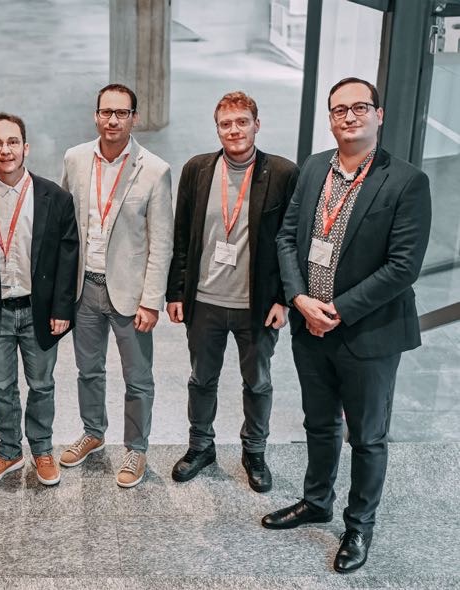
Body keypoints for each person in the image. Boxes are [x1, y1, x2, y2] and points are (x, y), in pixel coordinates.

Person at [264, 77, 431, 573]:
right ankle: (317, 501)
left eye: (360, 107)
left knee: (367, 436)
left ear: (379, 114)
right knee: (318, 423)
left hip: (367, 333)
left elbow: (403, 267)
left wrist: (334, 311)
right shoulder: (315, 167)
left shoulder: (406, 181)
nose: (349, 116)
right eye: (340, 109)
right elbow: (287, 237)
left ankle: (359, 526)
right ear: (330, 118)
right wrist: (299, 299)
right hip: (309, 326)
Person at [166, 91, 299, 492]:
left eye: (242, 121)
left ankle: (254, 451)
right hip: (204, 299)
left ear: (257, 124)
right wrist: (176, 292)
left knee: (257, 382)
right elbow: (181, 235)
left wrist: (284, 299)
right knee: (201, 379)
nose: (234, 130)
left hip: (255, 305)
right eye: (226, 124)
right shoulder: (197, 170)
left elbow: (291, 241)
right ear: (217, 129)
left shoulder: (282, 173)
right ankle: (200, 446)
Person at [59, 83, 174, 488]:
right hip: (84, 289)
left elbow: (161, 242)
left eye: (121, 113)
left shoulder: (154, 170)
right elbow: (63, 228)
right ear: (96, 116)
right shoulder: (75, 159)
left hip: (130, 293)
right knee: (88, 370)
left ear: (133, 118)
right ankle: (93, 433)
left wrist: (151, 301)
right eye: (106, 112)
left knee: (137, 377)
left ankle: (136, 449)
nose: (112, 120)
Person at [0, 113, 79, 486]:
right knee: (2, 387)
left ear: (25, 148)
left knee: (41, 385)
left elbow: (68, 256)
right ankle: (9, 451)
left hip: (38, 310)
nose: (5, 150)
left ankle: (42, 450)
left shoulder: (54, 197)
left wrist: (62, 309)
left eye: (12, 142)